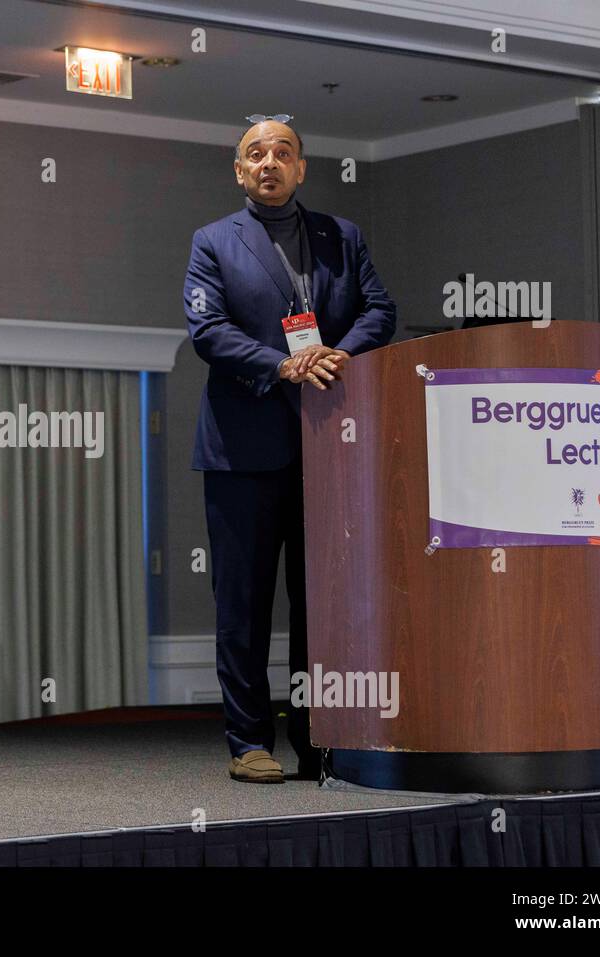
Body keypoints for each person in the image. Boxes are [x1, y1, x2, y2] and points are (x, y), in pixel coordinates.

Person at [183, 115, 396, 783]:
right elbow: (207, 331)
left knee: (322, 606)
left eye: (283, 152)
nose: (269, 162)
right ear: (240, 171)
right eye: (255, 154)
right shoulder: (213, 241)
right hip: (241, 454)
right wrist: (281, 365)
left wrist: (339, 352)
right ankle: (249, 743)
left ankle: (319, 740)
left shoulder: (342, 236)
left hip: (328, 451)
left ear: (302, 168)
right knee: (243, 607)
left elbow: (379, 310)